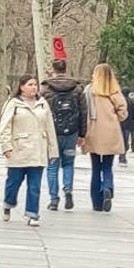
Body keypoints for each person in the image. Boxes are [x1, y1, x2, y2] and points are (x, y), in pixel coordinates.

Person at [0, 75, 59, 227]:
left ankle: (32, 214)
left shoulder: (42, 104)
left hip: (38, 150)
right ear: (21, 87)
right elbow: (5, 127)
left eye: (35, 84)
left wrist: (53, 151)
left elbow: (50, 127)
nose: (34, 87)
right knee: (13, 183)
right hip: (18, 150)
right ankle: (8, 203)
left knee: (34, 186)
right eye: (30, 84)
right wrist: (6, 147)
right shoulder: (13, 103)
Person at [81, 62, 128, 212]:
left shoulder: (89, 91)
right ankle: (107, 186)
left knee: (96, 168)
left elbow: (83, 110)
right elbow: (123, 112)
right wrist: (115, 118)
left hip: (93, 131)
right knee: (107, 166)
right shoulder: (114, 92)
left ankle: (96, 203)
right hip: (111, 131)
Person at [41, 58, 85, 211]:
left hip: (52, 132)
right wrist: (82, 134)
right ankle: (68, 189)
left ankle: (54, 199)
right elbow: (83, 112)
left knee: (52, 166)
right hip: (72, 132)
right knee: (68, 163)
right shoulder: (77, 88)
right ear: (66, 69)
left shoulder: (46, 89)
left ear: (53, 69)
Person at [119, 86, 134, 165]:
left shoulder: (119, 102)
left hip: (120, 124)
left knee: (122, 140)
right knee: (125, 140)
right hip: (129, 124)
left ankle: (122, 156)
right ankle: (123, 156)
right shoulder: (132, 102)